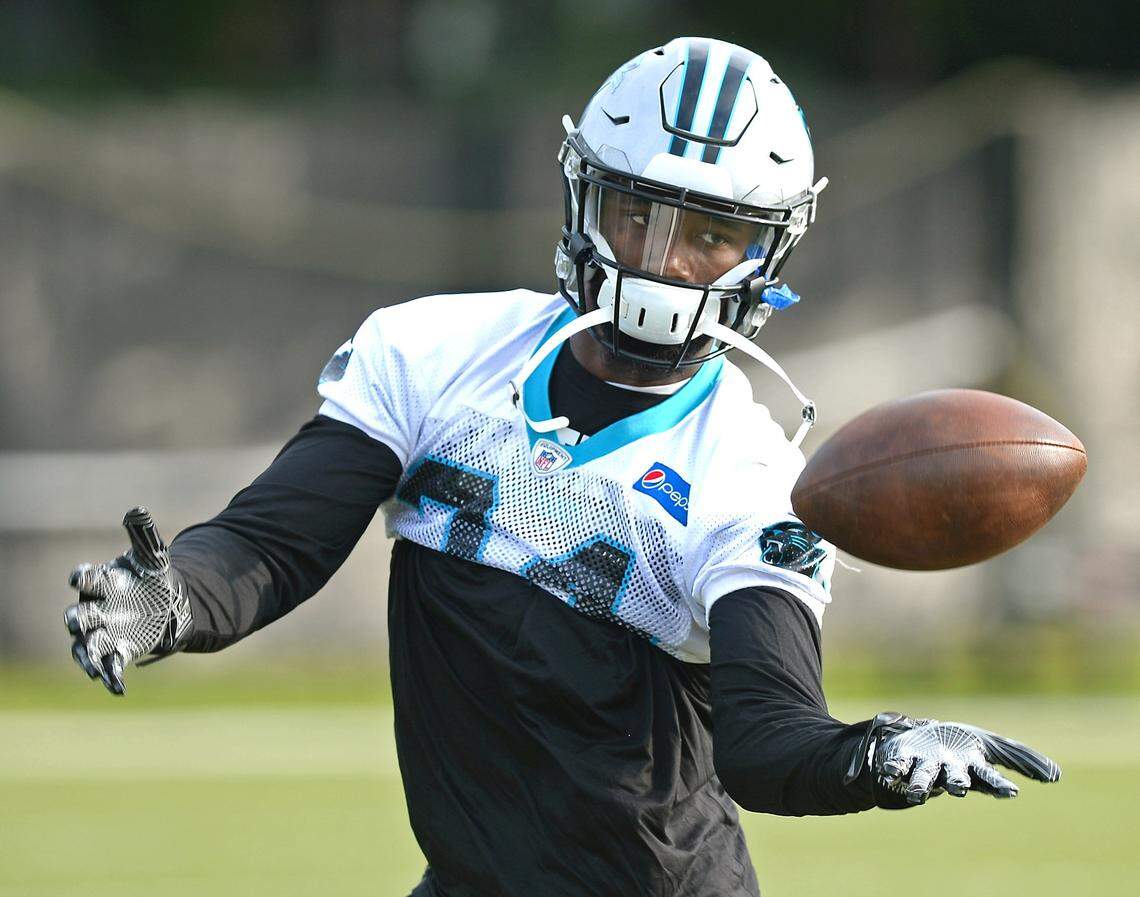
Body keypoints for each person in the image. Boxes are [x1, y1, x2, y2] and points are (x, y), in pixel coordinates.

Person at [63, 37, 1060, 897]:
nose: (664, 264)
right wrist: (171, 600)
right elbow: (275, 542)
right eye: (639, 215)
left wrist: (875, 754)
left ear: (768, 254)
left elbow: (765, 742)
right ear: (584, 197)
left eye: (711, 237)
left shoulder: (749, 479)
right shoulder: (438, 354)